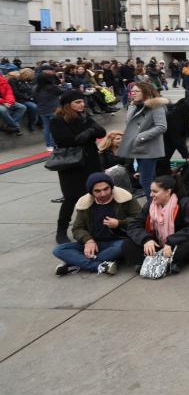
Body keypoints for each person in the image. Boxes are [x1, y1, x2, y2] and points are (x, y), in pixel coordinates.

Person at [52, 173, 139, 275]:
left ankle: (76, 262)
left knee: (122, 247)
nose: (103, 194)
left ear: (111, 187)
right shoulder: (85, 204)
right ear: (91, 192)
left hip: (117, 242)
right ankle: (100, 266)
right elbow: (77, 228)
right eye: (97, 191)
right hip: (95, 243)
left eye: (106, 189)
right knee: (59, 249)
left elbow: (139, 220)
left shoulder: (126, 198)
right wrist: (88, 241)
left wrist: (119, 223)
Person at [49, 90, 107, 244]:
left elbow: (102, 131)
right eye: (77, 102)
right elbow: (66, 140)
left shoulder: (85, 117)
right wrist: (89, 132)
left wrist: (88, 131)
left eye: (82, 101)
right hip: (71, 164)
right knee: (71, 198)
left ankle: (93, 227)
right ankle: (61, 231)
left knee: (94, 195)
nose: (82, 104)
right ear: (68, 105)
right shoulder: (57, 120)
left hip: (90, 162)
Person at [122, 175, 189, 274]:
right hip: (156, 244)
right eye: (151, 191)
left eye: (155, 191)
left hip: (177, 244)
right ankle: (159, 262)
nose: (151, 194)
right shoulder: (150, 205)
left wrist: (171, 241)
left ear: (168, 191)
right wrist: (146, 240)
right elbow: (134, 225)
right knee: (127, 244)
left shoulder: (185, 203)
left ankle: (166, 262)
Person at [117, 82, 168, 205]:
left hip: (150, 149)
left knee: (145, 180)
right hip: (137, 148)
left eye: (136, 91)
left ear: (145, 92)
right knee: (150, 179)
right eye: (132, 91)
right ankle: (160, 203)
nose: (133, 94)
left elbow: (161, 127)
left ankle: (153, 206)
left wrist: (140, 137)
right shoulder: (133, 105)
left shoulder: (156, 106)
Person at [35, 67, 63, 151]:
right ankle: (53, 144)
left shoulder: (36, 88)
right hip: (53, 109)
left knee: (46, 128)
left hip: (42, 110)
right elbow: (62, 92)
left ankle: (49, 145)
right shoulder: (52, 87)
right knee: (54, 128)